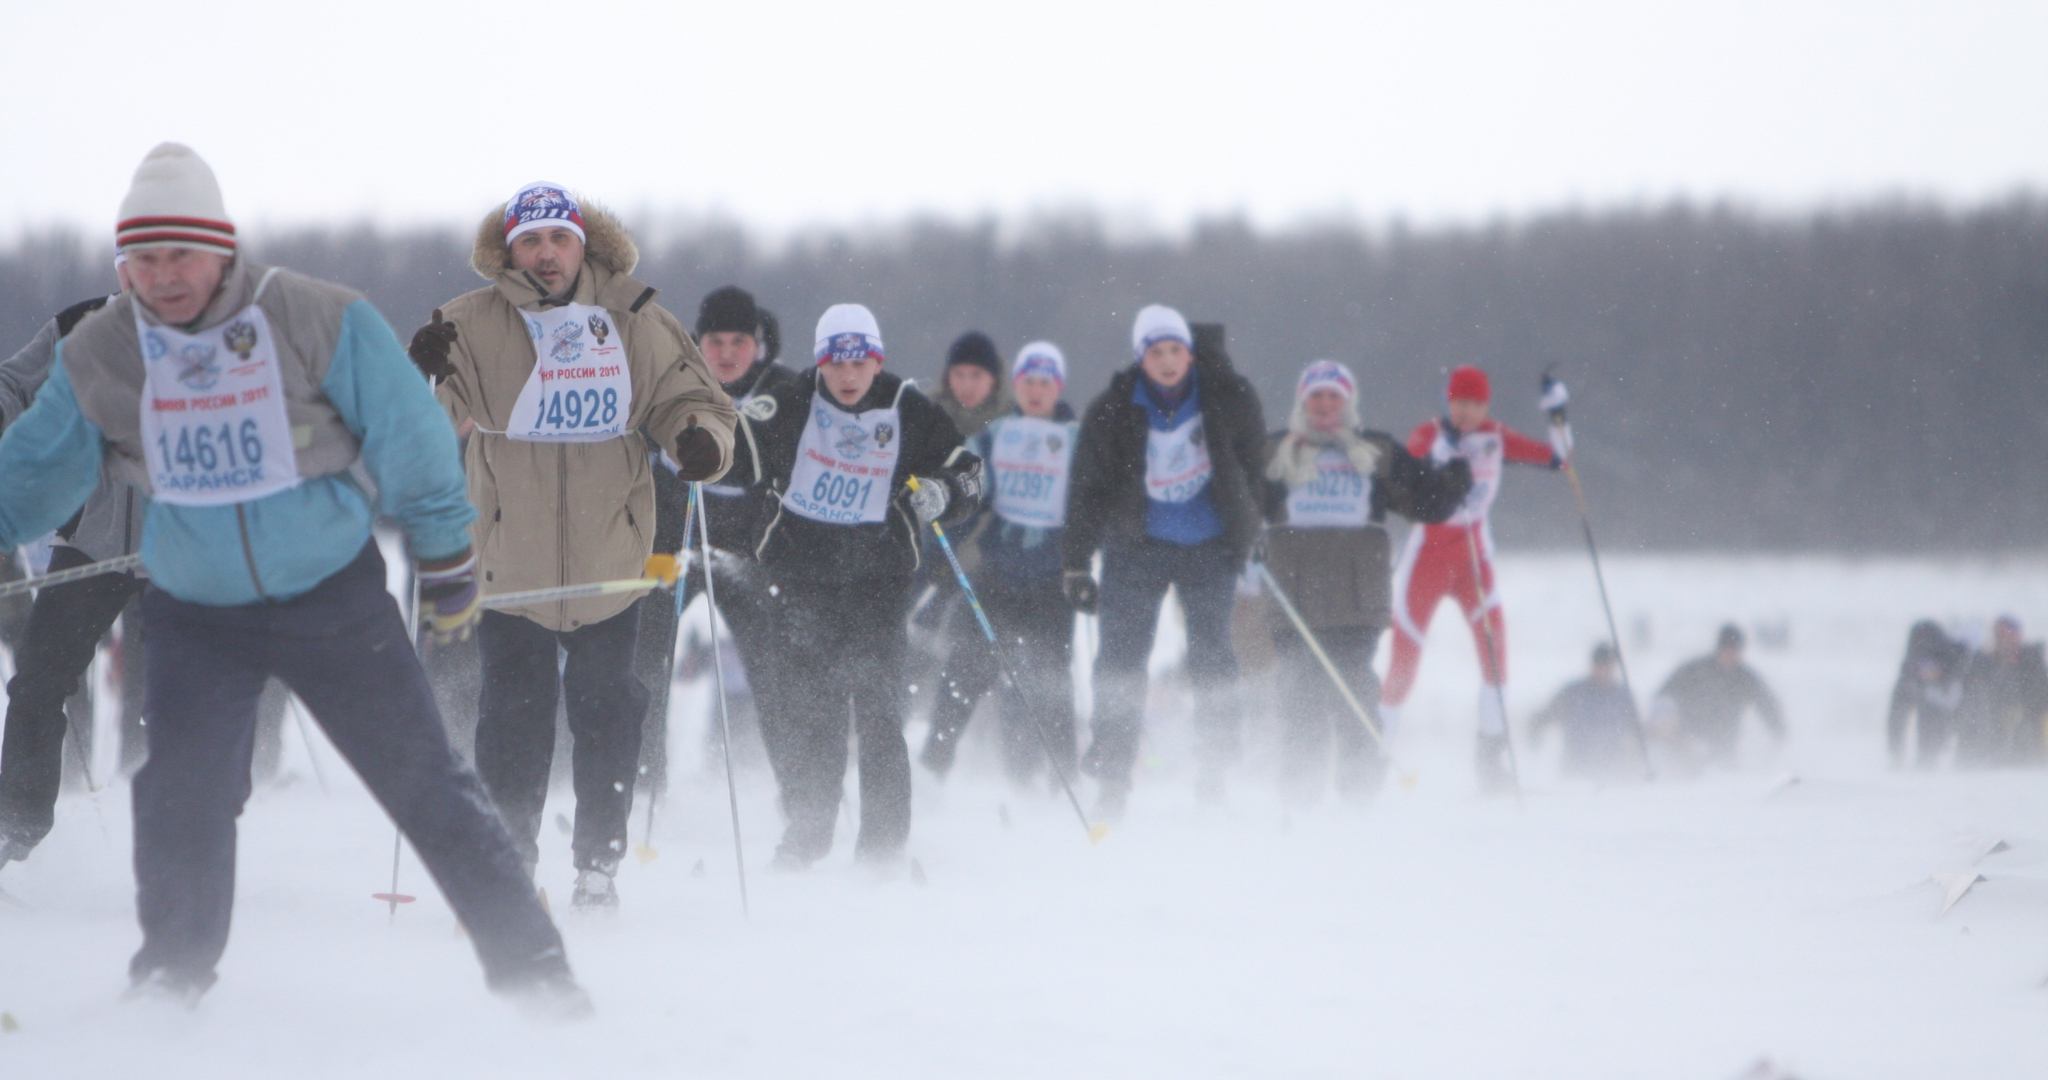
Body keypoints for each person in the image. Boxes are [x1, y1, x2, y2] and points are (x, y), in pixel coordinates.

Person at [0, 143, 578, 1008]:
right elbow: (34, 469)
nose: (163, 278)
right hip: (195, 608)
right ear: (122, 265)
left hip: (329, 597)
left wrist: (447, 551)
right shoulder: (103, 349)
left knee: (422, 778)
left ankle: (535, 973)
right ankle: (170, 978)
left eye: (181, 255)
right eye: (143, 259)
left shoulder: (309, 315)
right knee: (181, 795)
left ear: (223, 248)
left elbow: (407, 427)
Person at [408, 182, 735, 910]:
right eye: (531, 241)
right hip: (509, 563)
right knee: (513, 718)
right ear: (509, 250)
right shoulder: (469, 321)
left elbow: (698, 400)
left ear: (584, 244)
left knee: (608, 711)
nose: (546, 254)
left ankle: (598, 865)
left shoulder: (635, 316)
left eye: (559, 238)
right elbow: (414, 425)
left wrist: (700, 443)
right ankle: (509, 860)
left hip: (611, 562)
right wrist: (418, 370)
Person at [745, 303, 982, 867]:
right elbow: (732, 452)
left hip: (879, 582)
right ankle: (808, 835)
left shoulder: (908, 407)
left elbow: (968, 470)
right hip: (802, 578)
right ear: (820, 363)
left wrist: (945, 493)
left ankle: (881, 849)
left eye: (860, 362)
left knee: (877, 712)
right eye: (836, 363)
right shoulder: (790, 402)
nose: (848, 376)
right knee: (816, 714)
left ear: (877, 362)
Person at [1063, 308, 1266, 813]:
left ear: (1190, 354)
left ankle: (1213, 772)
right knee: (1120, 660)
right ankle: (1113, 776)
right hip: (1137, 547)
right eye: (1157, 352)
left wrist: (1250, 530)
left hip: (1210, 546)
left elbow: (1254, 468)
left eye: (1176, 350)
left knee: (1213, 655)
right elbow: (1087, 491)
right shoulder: (1112, 409)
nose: (1169, 361)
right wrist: (1075, 563)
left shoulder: (1229, 398)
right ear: (1141, 358)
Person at [1258, 360, 1470, 803]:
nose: (1325, 405)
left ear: (1348, 402)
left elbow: (1425, 504)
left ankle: (1358, 795)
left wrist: (1453, 481)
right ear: (1302, 401)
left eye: (1334, 396)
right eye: (1315, 396)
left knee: (1353, 698)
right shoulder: (1274, 450)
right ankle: (1299, 796)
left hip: (1356, 599)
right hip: (1292, 599)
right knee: (1300, 700)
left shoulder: (1375, 452)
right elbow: (1239, 500)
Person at [0, 289, 147, 864]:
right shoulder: (79, 324)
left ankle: (187, 840)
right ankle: (16, 822)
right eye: (136, 257)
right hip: (92, 537)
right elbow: (14, 382)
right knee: (39, 677)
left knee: (188, 691)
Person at [1378, 365, 1563, 790]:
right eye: (1461, 403)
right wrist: (1446, 455)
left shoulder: (1495, 437)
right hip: (1426, 561)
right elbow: (1413, 468)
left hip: (1474, 563)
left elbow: (1558, 459)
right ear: (1449, 401)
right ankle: (1374, 754)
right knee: (1403, 667)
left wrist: (1557, 414)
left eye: (1477, 404)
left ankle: (1491, 757)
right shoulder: (1427, 434)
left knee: (1495, 658)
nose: (1468, 412)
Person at [636, 285, 789, 792]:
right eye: (715, 341)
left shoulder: (779, 392)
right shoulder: (668, 383)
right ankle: (641, 787)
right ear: (697, 342)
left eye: (738, 342)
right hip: (671, 547)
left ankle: (802, 798)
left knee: (774, 673)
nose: (726, 353)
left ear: (758, 342)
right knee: (646, 666)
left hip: (747, 554)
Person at [920, 341, 1081, 785]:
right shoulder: (996, 434)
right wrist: (941, 532)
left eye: (1045, 382)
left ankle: (1063, 777)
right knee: (965, 671)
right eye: (1028, 381)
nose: (1035, 390)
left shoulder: (1074, 438)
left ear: (1058, 386)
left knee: (1052, 683)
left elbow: (1094, 500)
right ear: (1016, 385)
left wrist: (1087, 557)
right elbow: (965, 489)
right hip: (998, 572)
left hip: (1051, 578)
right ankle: (934, 768)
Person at [1648, 624, 1786, 765]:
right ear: (1719, 649)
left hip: (1724, 747)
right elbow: (1664, 694)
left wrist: (1778, 729)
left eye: (1735, 650)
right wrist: (1664, 721)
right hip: (1688, 741)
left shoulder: (1745, 678)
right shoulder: (1695, 670)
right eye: (1727, 649)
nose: (1731, 655)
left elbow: (1766, 703)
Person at [1528, 643, 1641, 779]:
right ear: (1593, 665)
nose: (1604, 669)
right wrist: (1535, 734)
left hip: (1613, 768)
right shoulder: (1573, 693)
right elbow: (1545, 716)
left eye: (1608, 665)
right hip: (1575, 767)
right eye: (1600, 664)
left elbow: (1637, 730)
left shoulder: (1623, 696)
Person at [1955, 616, 2048, 766]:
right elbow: (1971, 693)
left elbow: (2041, 694)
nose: (2005, 640)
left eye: (2009, 635)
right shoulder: (1982, 662)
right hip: (1991, 719)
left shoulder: (2031, 661)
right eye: (2000, 635)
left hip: (2028, 719)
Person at [1886, 620, 1968, 769]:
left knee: (1933, 713)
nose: (1927, 671)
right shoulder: (1909, 677)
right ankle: (1920, 759)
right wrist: (1895, 755)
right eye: (1922, 666)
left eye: (1930, 666)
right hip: (1920, 690)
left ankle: (1928, 759)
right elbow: (1896, 719)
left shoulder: (1958, 669)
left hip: (1953, 709)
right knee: (1916, 704)